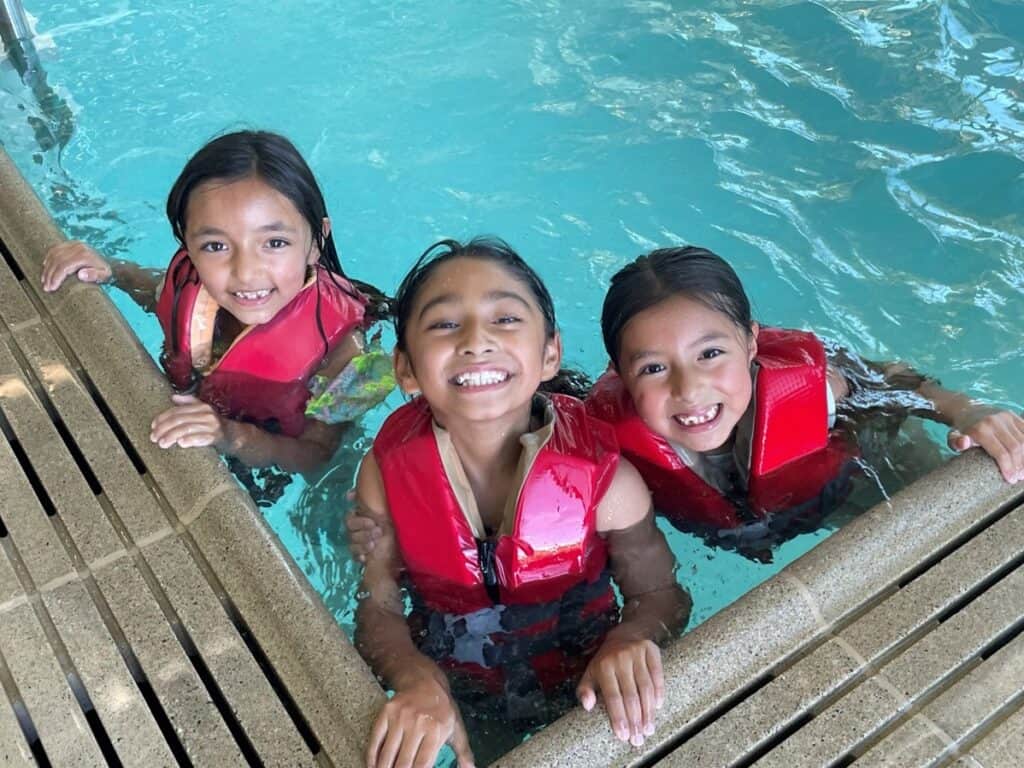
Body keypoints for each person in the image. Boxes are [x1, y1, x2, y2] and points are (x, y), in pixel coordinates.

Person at [352, 238, 690, 768]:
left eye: (506, 319)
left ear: (550, 353)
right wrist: (417, 679)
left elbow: (662, 593)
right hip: (459, 681)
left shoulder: (607, 483)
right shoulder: (383, 475)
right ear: (406, 369)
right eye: (443, 324)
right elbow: (378, 609)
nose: (476, 340)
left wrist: (632, 636)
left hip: (587, 678)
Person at [586, 246, 1024, 552]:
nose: (688, 388)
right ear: (620, 374)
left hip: (847, 481)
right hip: (750, 515)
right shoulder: (607, 437)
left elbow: (890, 381)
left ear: (752, 343)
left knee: (959, 531)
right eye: (654, 368)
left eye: (711, 354)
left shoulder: (815, 388)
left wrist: (966, 411)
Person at [41, 130, 392, 474]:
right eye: (216, 246)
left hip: (276, 455)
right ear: (189, 247)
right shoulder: (193, 285)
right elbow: (158, 293)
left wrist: (230, 436)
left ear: (316, 241)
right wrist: (111, 270)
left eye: (274, 243)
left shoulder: (349, 355)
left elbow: (315, 456)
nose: (246, 272)